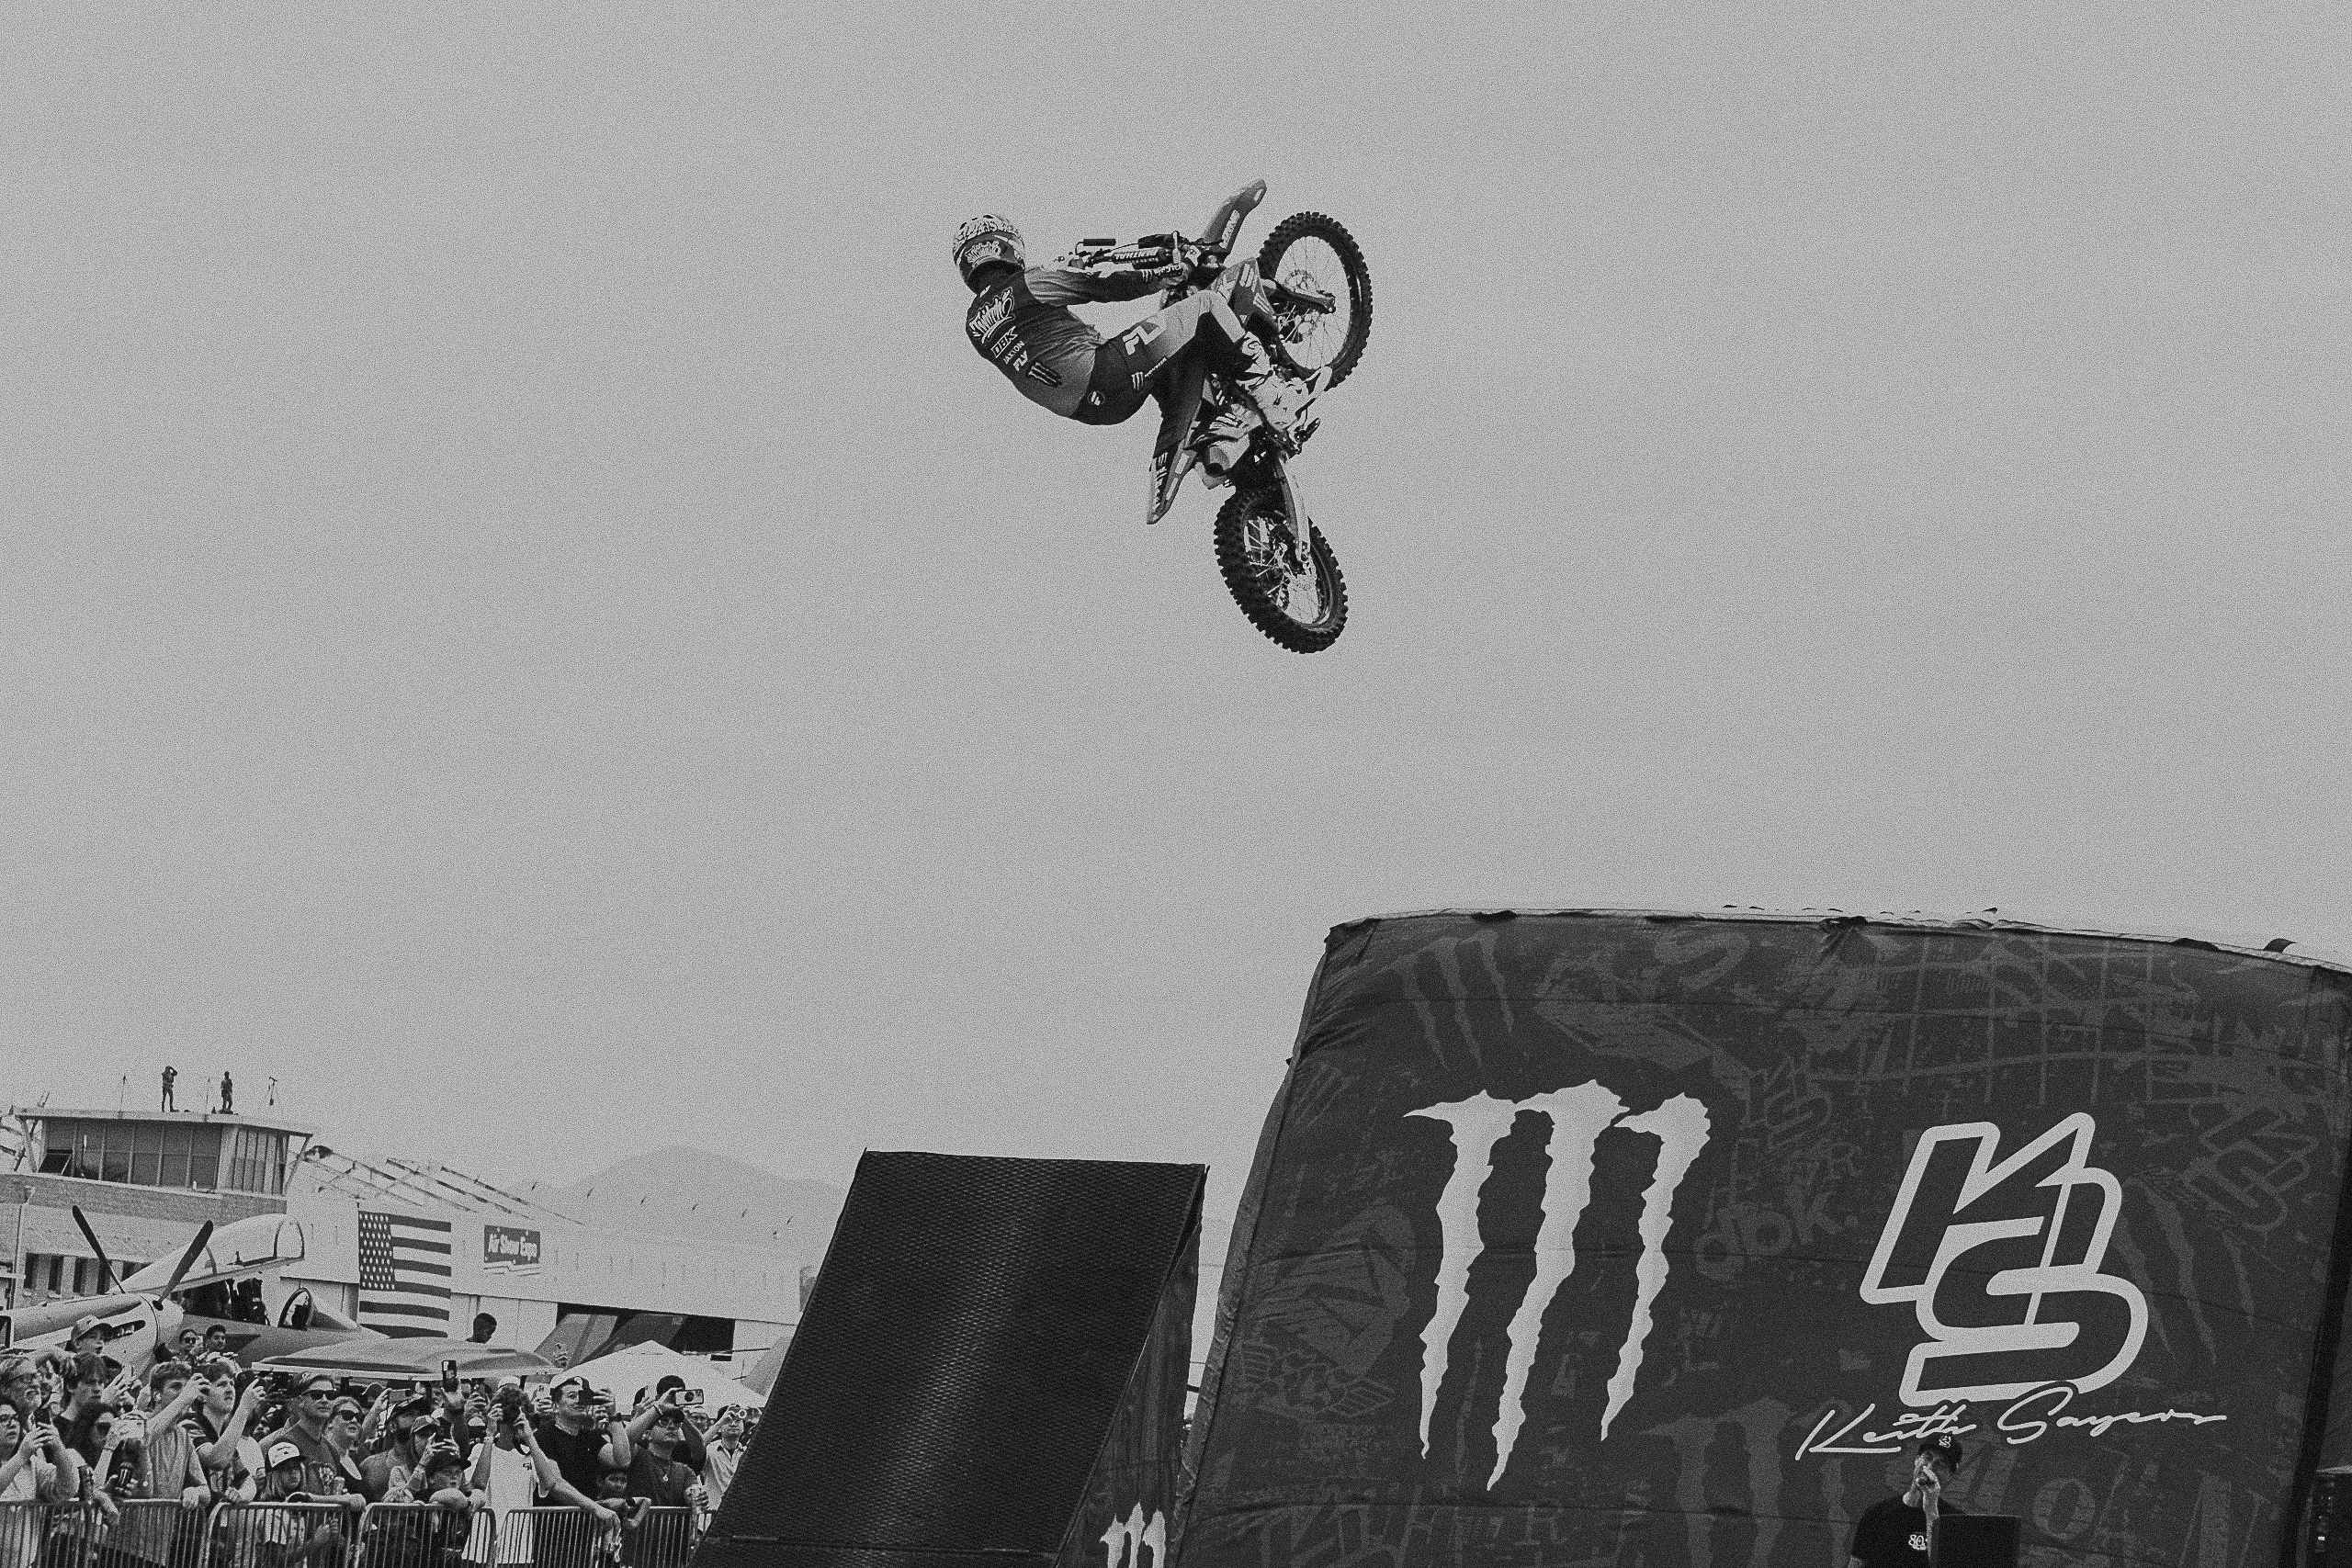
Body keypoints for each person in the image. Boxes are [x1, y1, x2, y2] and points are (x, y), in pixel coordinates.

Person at [954, 215, 1319, 445]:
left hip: (1091, 410)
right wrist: (1163, 275)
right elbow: (1103, 285)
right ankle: (1271, 393)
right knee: (1204, 306)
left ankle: (1213, 432)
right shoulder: (1028, 283)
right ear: (1006, 248)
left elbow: (1036, 335)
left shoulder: (974, 325)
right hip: (1104, 372)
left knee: (1175, 353)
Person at [1849, 1435, 1966, 1568]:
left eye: (1941, 1464)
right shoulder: (1877, 1513)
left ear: (1950, 1475)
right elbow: (1856, 1564)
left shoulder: (1954, 1521)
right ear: (1916, 1460)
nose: (1930, 1466)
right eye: (1927, 1458)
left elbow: (1943, 1563)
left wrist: (1931, 1509)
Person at [699, 1408, 745, 1515]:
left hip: (740, 1516)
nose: (733, 1424)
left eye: (738, 1420)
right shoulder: (709, 1450)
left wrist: (759, 1419)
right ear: (720, 1427)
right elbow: (697, 1448)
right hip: (713, 1516)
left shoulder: (748, 1452)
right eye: (728, 1420)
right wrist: (718, 1424)